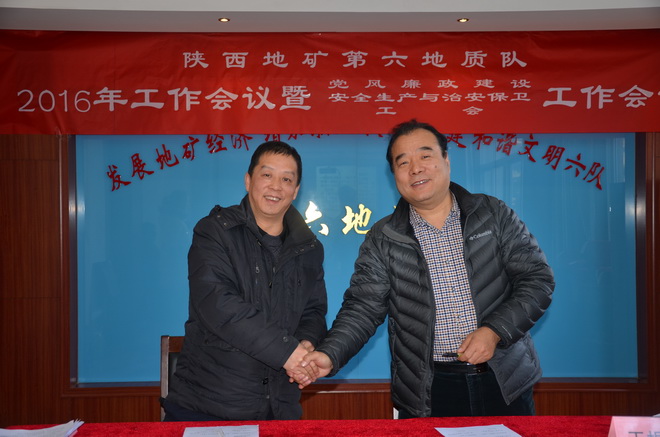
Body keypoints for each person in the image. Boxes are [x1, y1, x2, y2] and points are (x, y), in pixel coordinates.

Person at [298, 119, 554, 418]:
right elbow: (363, 308)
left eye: (425, 155)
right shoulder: (383, 238)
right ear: (394, 174)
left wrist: (494, 331)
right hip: (429, 389)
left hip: (505, 379)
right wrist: (329, 354)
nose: (415, 168)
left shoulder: (492, 213)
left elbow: (537, 280)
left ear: (446, 160)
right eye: (403, 162)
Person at [162, 140, 328, 421]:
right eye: (267, 175)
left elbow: (313, 311)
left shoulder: (309, 248)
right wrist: (289, 353)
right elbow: (220, 305)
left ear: (296, 190)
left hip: (280, 408)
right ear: (248, 180)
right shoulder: (215, 231)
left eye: (286, 179)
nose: (276, 186)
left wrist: (307, 345)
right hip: (209, 406)